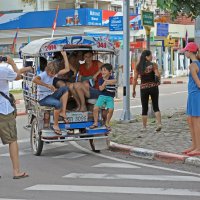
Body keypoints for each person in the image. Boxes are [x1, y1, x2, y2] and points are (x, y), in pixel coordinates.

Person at [0, 55, 29, 179]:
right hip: (3, 110)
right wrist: (12, 62)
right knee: (12, 140)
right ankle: (16, 171)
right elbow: (17, 75)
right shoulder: (3, 70)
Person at [33, 51, 70, 135]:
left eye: (54, 74)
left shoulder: (54, 74)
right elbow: (34, 80)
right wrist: (47, 85)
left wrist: (64, 55)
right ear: (48, 70)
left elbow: (67, 69)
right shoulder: (44, 74)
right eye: (51, 73)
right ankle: (55, 125)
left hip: (50, 95)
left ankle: (63, 112)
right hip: (43, 98)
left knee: (65, 88)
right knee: (57, 104)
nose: (52, 75)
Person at [132, 50, 162, 132]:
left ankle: (144, 127)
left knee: (144, 108)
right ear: (146, 57)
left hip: (144, 88)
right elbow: (157, 74)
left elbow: (134, 79)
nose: (152, 57)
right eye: (150, 55)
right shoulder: (153, 65)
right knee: (156, 106)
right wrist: (158, 80)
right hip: (153, 87)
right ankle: (159, 124)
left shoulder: (138, 66)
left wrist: (134, 90)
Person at [181, 42, 200, 156]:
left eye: (186, 51)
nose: (185, 53)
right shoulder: (195, 63)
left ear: (190, 52)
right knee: (190, 120)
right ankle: (194, 145)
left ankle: (198, 147)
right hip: (192, 95)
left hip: (196, 95)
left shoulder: (193, 65)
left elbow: (198, 83)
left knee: (196, 122)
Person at [89, 63, 116, 131]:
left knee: (111, 110)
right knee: (95, 108)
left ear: (110, 72)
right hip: (102, 96)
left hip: (110, 97)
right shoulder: (100, 79)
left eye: (105, 70)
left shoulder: (112, 77)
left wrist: (107, 81)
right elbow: (101, 89)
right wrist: (105, 83)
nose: (103, 72)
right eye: (102, 70)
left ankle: (107, 123)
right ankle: (95, 122)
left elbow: (115, 81)